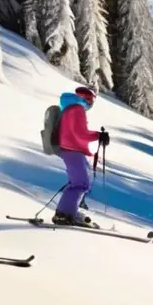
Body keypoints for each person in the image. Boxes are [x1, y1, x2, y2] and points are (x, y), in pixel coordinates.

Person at [53, 86, 110, 227]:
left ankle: (67, 212)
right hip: (72, 151)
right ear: (85, 99)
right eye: (90, 100)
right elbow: (81, 134)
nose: (91, 104)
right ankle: (64, 214)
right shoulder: (77, 110)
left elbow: (75, 134)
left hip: (71, 150)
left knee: (80, 183)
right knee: (81, 184)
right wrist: (99, 135)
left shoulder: (70, 109)